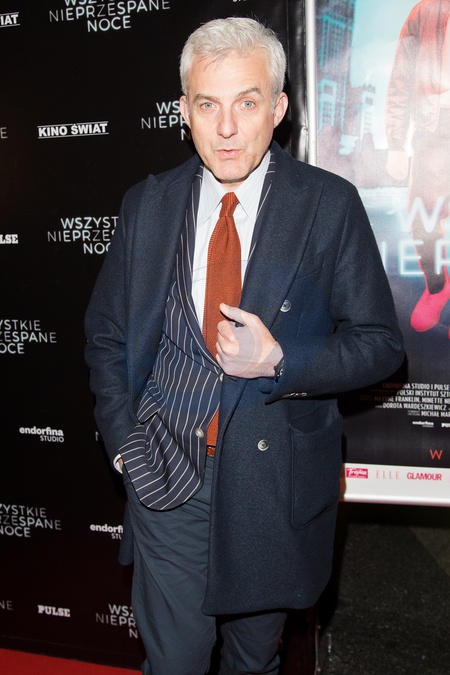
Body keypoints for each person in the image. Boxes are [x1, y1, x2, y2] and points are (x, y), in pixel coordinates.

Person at [85, 17, 404, 675]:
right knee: (174, 663)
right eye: (208, 105)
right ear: (184, 111)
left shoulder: (328, 205)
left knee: (253, 663)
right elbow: (106, 334)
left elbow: (379, 345)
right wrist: (123, 447)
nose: (226, 128)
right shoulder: (148, 204)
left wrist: (281, 360)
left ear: (279, 108)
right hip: (164, 474)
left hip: (271, 488)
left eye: (247, 103)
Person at [386, 0, 450, 332]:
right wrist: (396, 143)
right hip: (432, 126)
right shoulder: (424, 11)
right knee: (423, 217)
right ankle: (437, 287)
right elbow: (401, 78)